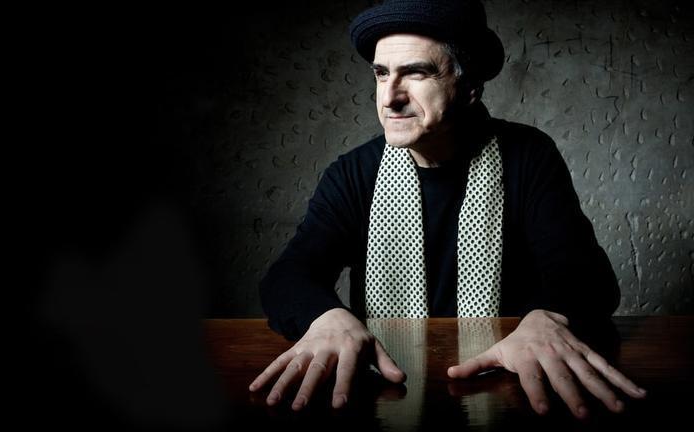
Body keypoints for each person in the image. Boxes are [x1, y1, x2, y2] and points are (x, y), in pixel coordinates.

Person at [248, 0, 646, 420]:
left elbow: (588, 279)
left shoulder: (527, 156)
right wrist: (326, 317)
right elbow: (289, 276)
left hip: (509, 387)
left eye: (416, 73)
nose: (390, 97)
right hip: (387, 391)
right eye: (381, 74)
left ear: (469, 85)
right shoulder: (353, 173)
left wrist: (548, 317)